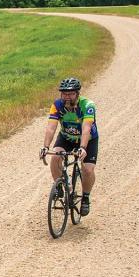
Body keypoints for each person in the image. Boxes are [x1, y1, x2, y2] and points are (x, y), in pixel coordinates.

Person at [41, 76, 98, 216]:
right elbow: (51, 127)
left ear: (78, 93)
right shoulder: (57, 105)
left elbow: (86, 128)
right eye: (64, 93)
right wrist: (45, 147)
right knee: (55, 157)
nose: (67, 97)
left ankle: (85, 197)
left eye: (70, 93)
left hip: (87, 139)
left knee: (88, 170)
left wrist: (83, 147)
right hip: (66, 137)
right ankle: (61, 185)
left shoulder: (87, 105)